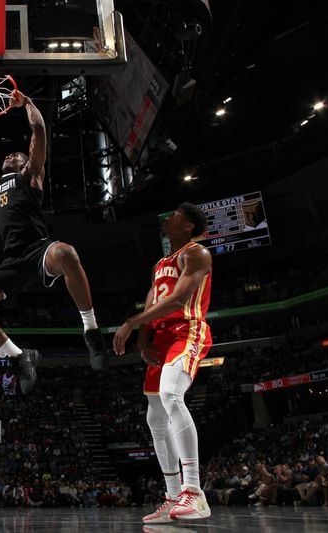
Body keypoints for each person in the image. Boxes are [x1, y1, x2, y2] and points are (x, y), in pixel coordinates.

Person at [0, 91, 109, 395]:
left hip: (39, 249)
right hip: (12, 260)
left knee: (67, 252)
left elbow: (38, 131)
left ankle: (91, 329)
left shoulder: (31, 175)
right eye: (7, 155)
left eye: (15, 155)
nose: (9, 156)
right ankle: (17, 355)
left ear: (27, 162)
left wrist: (27, 103)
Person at [113, 203, 212, 523]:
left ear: (189, 226)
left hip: (187, 331)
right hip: (160, 341)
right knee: (155, 418)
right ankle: (172, 497)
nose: (168, 216)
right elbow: (154, 299)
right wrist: (143, 338)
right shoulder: (160, 263)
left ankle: (195, 492)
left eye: (176, 215)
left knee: (171, 395)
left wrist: (130, 322)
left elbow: (179, 299)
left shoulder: (197, 254)